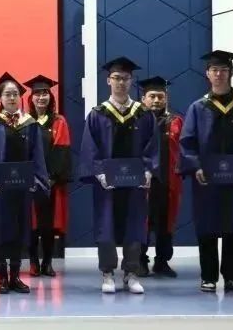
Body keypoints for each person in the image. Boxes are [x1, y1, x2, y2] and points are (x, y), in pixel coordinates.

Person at [179, 50, 233, 294]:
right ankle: (208, 276)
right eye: (214, 70)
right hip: (207, 179)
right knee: (207, 226)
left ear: (231, 73)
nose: (219, 74)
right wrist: (195, 166)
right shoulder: (198, 108)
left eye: (223, 70)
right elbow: (187, 141)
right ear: (207, 74)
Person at [79, 57, 157, 295]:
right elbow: (90, 148)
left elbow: (152, 146)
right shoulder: (97, 114)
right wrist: (100, 173)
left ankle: (131, 273)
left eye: (125, 78)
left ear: (131, 81)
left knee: (134, 225)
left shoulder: (143, 114)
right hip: (107, 184)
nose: (121, 83)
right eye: (116, 78)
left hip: (134, 183)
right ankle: (108, 272)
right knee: (106, 226)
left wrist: (148, 170)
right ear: (108, 81)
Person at [0, 73, 49, 294]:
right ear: (0, 99)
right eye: (7, 94)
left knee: (19, 231)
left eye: (15, 94)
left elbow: (38, 157)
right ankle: (1, 277)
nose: (12, 98)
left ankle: (15, 276)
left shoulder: (30, 124)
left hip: (22, 189)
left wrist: (36, 181)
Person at [136, 76, 183, 278]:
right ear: (143, 99)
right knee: (142, 221)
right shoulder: (136, 120)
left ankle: (162, 262)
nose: (156, 100)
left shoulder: (175, 121)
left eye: (160, 97)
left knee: (166, 222)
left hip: (169, 181)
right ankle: (140, 261)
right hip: (143, 181)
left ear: (166, 98)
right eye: (152, 96)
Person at [24, 74, 71, 277]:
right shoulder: (25, 121)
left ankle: (48, 262)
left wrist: (51, 178)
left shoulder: (59, 121)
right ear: (31, 98)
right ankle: (33, 262)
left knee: (48, 225)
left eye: (45, 94)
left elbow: (62, 149)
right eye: (37, 94)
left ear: (51, 97)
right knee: (31, 224)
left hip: (51, 181)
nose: (41, 97)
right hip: (30, 182)